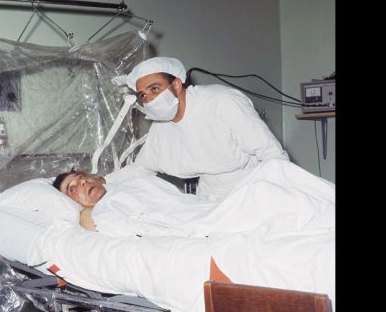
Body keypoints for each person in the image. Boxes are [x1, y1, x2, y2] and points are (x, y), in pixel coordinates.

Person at [105, 57, 290, 201]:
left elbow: (273, 155)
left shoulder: (222, 102)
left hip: (252, 188)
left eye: (154, 88)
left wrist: (278, 198)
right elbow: (141, 168)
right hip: (208, 198)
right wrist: (104, 181)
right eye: (143, 95)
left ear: (177, 85)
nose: (149, 99)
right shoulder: (162, 126)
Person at [53, 160, 334, 236]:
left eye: (82, 177)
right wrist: (80, 210)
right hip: (197, 223)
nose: (83, 182)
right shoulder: (102, 211)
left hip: (203, 207)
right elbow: (92, 224)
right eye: (72, 188)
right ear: (72, 202)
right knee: (263, 194)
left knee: (275, 168)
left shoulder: (131, 185)